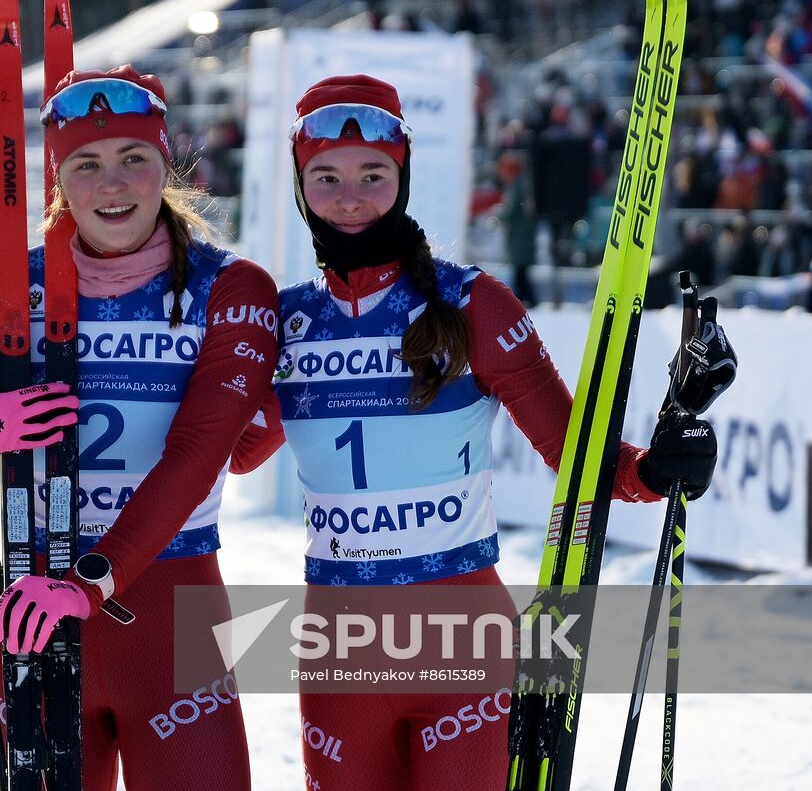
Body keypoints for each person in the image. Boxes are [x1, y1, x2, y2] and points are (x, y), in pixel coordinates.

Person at [230, 74, 718, 790]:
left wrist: (657, 468)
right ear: (301, 187)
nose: (350, 196)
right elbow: (235, 454)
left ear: (403, 175)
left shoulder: (472, 303)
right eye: (325, 176)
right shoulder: (286, 321)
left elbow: (579, 456)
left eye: (373, 174)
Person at [0, 66, 278, 789]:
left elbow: (199, 457)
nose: (113, 184)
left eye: (135, 159)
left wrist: (90, 583)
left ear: (167, 165)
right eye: (86, 165)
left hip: (175, 615)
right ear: (59, 177)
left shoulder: (232, 288)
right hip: (37, 611)